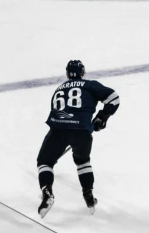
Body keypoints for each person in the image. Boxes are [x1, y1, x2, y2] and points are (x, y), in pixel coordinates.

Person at [36, 60, 120, 217]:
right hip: (82, 132)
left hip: (58, 131)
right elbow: (114, 98)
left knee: (45, 162)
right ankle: (88, 196)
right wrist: (102, 118)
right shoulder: (89, 85)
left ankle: (47, 193)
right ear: (83, 73)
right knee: (83, 161)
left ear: (68, 74)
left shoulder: (59, 89)